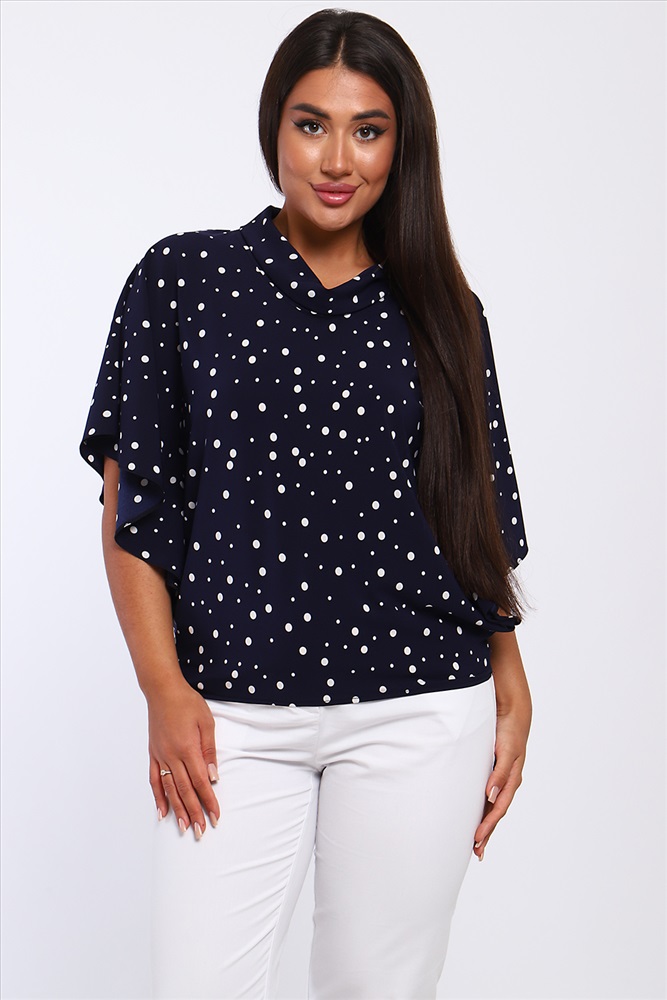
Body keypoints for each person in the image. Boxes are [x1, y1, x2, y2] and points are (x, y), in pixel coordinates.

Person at [80, 8, 532, 999]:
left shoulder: (445, 312)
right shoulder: (185, 280)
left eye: (367, 130)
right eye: (310, 123)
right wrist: (162, 689)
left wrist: (510, 676)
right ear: (273, 128)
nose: (336, 159)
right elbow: (132, 506)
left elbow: (473, 514)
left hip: (419, 706)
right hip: (229, 715)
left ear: (401, 145)